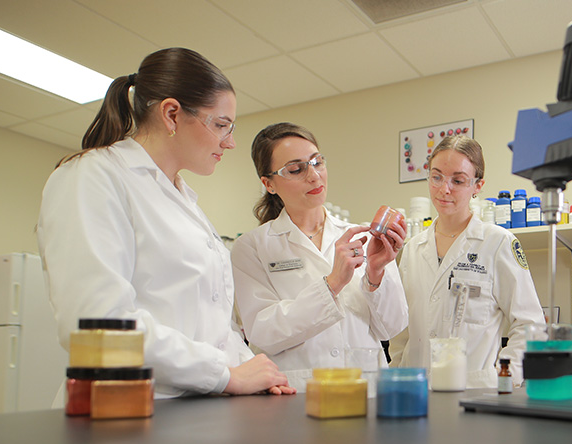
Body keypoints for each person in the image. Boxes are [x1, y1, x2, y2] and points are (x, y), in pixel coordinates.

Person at [37, 48, 293, 398]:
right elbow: (97, 328)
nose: (230, 142)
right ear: (171, 114)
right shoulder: (92, 176)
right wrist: (226, 376)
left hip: (192, 410)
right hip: (126, 412)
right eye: (221, 125)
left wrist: (256, 372)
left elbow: (213, 327)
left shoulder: (183, 198)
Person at [231, 122, 409, 391]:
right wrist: (333, 284)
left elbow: (391, 328)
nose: (314, 176)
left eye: (317, 162)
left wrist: (375, 273)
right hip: (298, 393)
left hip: (366, 388)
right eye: (296, 169)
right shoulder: (252, 247)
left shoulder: (361, 237)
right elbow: (263, 333)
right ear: (268, 183)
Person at [389, 135, 546, 387]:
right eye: (436, 176)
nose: (444, 189)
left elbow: (531, 325)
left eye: (458, 180)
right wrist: (397, 376)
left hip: (474, 393)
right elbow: (401, 333)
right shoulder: (412, 249)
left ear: (477, 185)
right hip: (415, 391)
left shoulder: (497, 243)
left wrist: (504, 376)